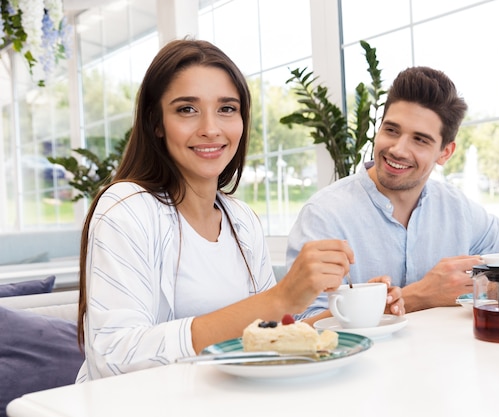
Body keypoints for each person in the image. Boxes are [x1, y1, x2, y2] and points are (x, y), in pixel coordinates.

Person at [75, 39, 404, 382]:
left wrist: (353, 313)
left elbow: (268, 335)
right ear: (156, 123)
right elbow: (113, 357)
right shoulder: (127, 207)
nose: (210, 128)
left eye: (227, 109)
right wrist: (279, 299)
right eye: (186, 109)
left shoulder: (241, 219)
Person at [286, 66, 499, 319]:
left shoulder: (456, 208)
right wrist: (421, 294)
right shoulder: (324, 215)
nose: (397, 149)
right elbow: (303, 325)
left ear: (445, 153)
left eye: (420, 140)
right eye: (391, 130)